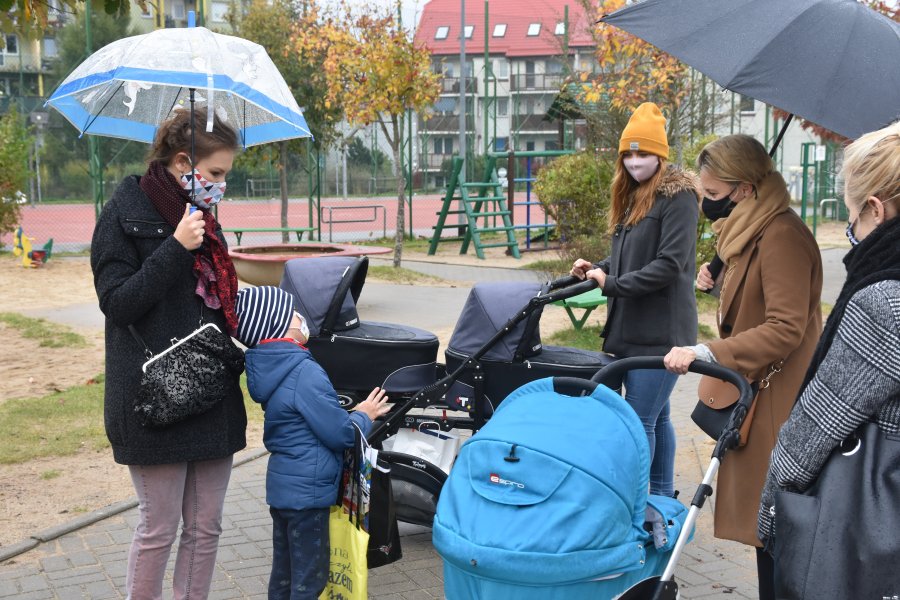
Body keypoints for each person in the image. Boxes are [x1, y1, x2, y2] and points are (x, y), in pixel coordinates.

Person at [91, 107, 245, 600]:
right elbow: (118, 303)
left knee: (206, 528)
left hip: (211, 394)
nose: (221, 185)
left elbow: (217, 304)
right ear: (184, 162)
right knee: (158, 529)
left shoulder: (204, 221)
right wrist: (176, 246)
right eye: (216, 173)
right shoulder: (123, 213)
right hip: (154, 398)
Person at [663, 134, 823, 600]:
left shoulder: (782, 235)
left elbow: (786, 328)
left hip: (777, 404)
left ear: (745, 189)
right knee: (766, 532)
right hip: (760, 398)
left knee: (773, 532)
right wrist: (723, 274)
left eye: (712, 195)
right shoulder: (752, 229)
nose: (707, 205)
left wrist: (711, 352)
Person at [757, 123, 900, 551]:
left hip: (866, 537)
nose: (851, 228)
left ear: (877, 210)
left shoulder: (883, 303)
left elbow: (813, 433)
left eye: (852, 215)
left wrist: (770, 518)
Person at [571, 102, 699, 497]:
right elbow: (630, 256)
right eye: (628, 153)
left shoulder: (679, 200)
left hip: (661, 332)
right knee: (656, 418)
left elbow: (668, 265)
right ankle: (660, 497)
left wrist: (611, 284)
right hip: (627, 328)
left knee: (638, 419)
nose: (634, 160)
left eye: (643, 153)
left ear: (660, 155)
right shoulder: (633, 195)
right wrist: (597, 267)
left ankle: (638, 501)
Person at [235, 285, 391, 600]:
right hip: (309, 494)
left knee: (284, 574)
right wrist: (363, 415)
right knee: (310, 579)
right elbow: (340, 434)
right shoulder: (304, 371)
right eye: (292, 313)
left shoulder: (272, 369)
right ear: (280, 326)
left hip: (283, 491)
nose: (300, 317)